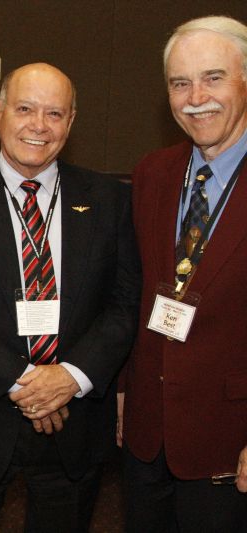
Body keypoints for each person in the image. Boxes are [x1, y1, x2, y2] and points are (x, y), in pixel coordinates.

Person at [0, 62, 140, 532]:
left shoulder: (110, 200)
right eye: (24, 109)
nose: (39, 125)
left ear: (70, 122)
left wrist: (70, 378)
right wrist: (27, 383)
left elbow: (124, 305)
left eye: (54, 113)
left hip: (75, 420)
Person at [120, 15, 247, 531]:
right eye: (180, 83)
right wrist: (125, 390)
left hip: (228, 439)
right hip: (147, 434)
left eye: (213, 78)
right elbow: (136, 292)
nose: (196, 98)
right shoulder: (153, 172)